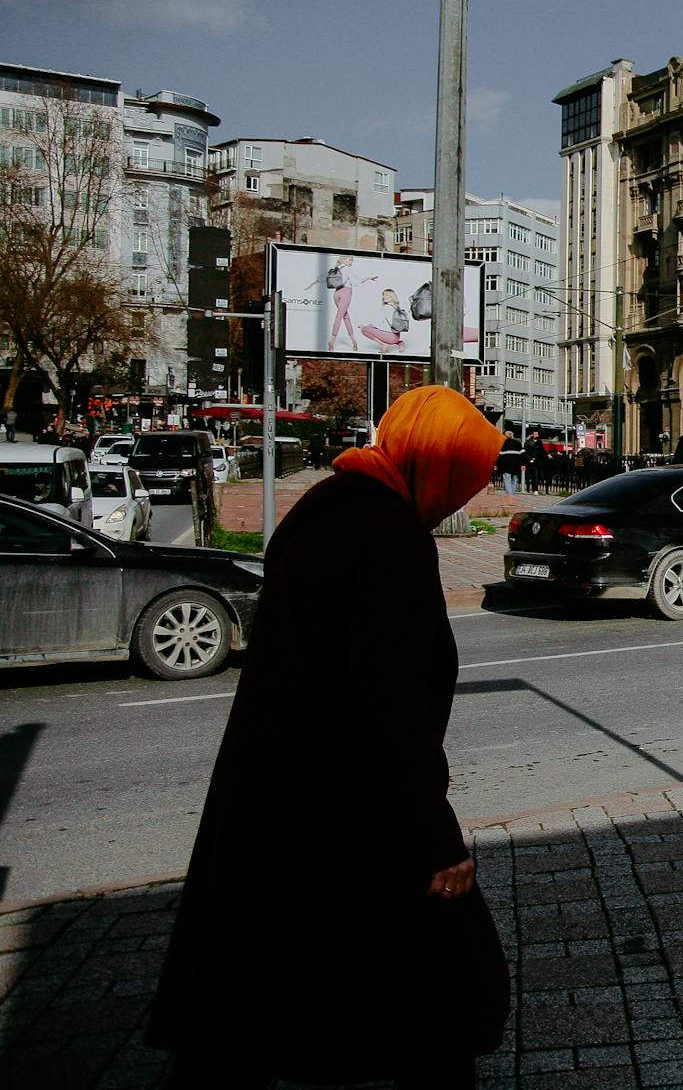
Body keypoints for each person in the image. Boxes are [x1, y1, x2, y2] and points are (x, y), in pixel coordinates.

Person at [146, 386, 509, 1087]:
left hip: (274, 798)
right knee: (439, 995)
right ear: (430, 462)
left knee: (246, 998)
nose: (458, 499)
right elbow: (390, 700)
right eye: (460, 480)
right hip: (354, 806)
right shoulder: (389, 539)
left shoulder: (324, 507)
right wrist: (438, 839)